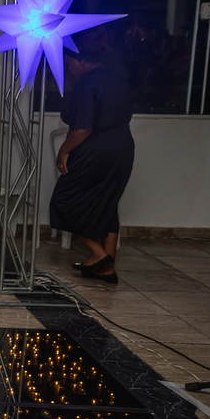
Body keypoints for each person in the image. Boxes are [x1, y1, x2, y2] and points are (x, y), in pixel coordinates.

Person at [49, 42, 135, 284]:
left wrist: (63, 151)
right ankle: (107, 269)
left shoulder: (89, 83)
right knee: (108, 203)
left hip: (96, 149)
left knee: (63, 201)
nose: (70, 69)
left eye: (70, 64)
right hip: (123, 147)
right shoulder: (118, 78)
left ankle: (99, 255)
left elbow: (83, 128)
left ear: (82, 60)